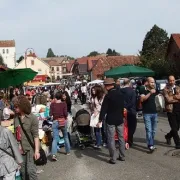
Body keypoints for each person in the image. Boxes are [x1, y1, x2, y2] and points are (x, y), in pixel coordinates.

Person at [98, 78, 125, 164]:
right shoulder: (120, 93)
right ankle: (122, 155)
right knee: (121, 138)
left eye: (105, 85)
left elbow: (104, 109)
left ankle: (113, 158)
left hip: (111, 119)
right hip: (120, 118)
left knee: (111, 138)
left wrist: (100, 119)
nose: (104, 87)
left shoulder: (108, 96)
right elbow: (122, 106)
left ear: (108, 86)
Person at [14, 96, 40, 180]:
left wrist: (37, 151)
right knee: (22, 172)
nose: (14, 108)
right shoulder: (16, 117)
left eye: (16, 107)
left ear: (22, 106)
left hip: (30, 148)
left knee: (31, 171)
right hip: (20, 149)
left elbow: (36, 136)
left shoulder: (32, 118)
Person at [50, 92, 70, 161]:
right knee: (65, 136)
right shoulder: (64, 104)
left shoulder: (52, 104)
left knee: (55, 139)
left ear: (55, 97)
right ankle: (67, 151)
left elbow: (50, 114)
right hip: (63, 121)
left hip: (55, 122)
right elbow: (66, 114)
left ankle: (54, 154)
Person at [140, 77, 157, 152]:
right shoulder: (143, 90)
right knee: (149, 130)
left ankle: (151, 143)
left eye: (153, 82)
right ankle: (150, 145)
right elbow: (142, 99)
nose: (153, 84)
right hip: (147, 113)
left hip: (155, 113)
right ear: (147, 83)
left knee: (153, 130)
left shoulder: (155, 90)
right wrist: (150, 93)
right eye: (151, 82)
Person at [163, 75, 180, 149]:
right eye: (170, 80)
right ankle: (178, 143)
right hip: (170, 110)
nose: (172, 82)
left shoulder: (178, 88)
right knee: (174, 128)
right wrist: (176, 97)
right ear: (168, 81)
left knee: (177, 127)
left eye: (173, 80)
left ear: (175, 80)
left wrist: (173, 97)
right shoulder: (165, 89)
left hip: (178, 109)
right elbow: (168, 100)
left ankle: (168, 136)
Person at [121, 78, 137, 147]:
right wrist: (127, 107)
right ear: (129, 83)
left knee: (123, 126)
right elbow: (133, 102)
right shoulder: (132, 91)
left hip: (121, 111)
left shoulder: (120, 91)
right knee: (132, 127)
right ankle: (129, 140)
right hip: (131, 111)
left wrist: (124, 107)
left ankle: (124, 140)